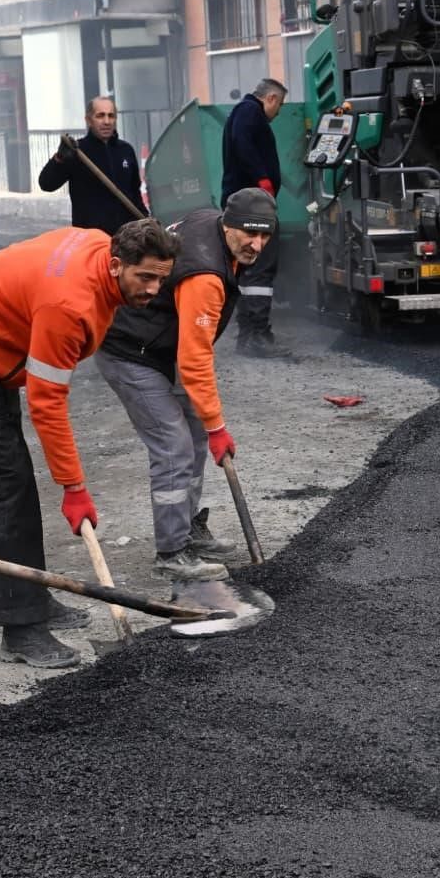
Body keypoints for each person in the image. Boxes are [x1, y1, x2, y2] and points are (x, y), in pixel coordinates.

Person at [0, 220, 180, 668]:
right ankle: (21, 629)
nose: (153, 289)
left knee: (14, 475)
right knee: (5, 480)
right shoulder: (67, 307)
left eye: (161, 279)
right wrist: (74, 488)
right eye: (145, 278)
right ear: (116, 265)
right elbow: (47, 403)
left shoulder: (98, 244)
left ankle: (32, 593)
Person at [97, 189, 278, 583]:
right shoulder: (206, 276)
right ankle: (171, 552)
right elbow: (194, 359)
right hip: (132, 352)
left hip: (163, 346)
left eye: (265, 236)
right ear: (228, 224)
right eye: (249, 234)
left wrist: (207, 425)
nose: (257, 244)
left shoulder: (209, 222)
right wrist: (218, 427)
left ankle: (188, 527)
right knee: (174, 447)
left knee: (193, 435)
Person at [220, 78, 289, 358]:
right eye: (280, 105)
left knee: (247, 268)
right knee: (262, 265)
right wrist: (263, 179)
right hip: (252, 203)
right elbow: (243, 143)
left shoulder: (241, 112)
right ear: (271, 98)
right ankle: (257, 335)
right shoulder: (250, 111)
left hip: (245, 201)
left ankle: (249, 335)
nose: (279, 112)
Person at [38, 96, 147, 235]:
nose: (107, 121)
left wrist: (146, 221)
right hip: (90, 239)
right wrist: (59, 159)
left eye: (111, 116)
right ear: (88, 120)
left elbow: (135, 195)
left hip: (125, 240)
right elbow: (46, 184)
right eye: (100, 116)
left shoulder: (126, 150)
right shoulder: (77, 152)